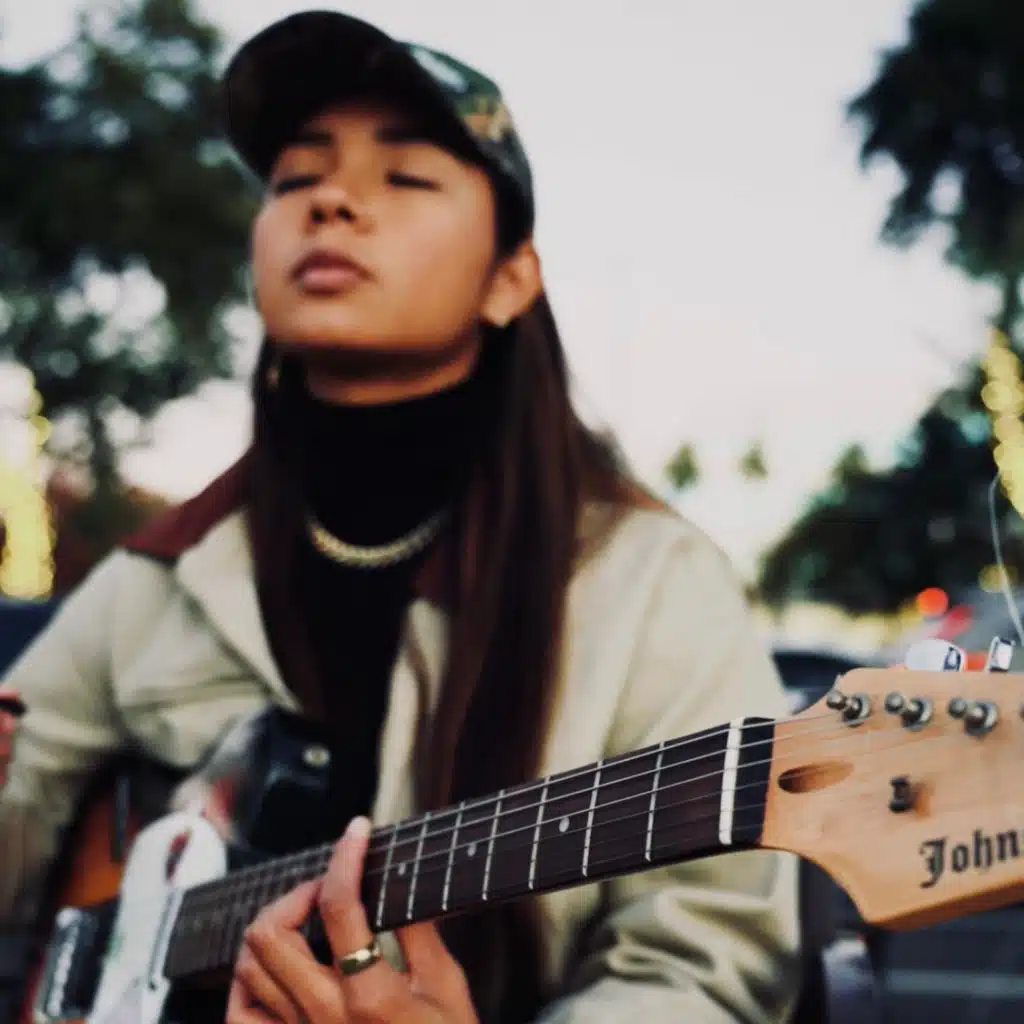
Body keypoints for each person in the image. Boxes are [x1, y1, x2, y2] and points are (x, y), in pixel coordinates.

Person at [0, 10, 800, 1023]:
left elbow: (706, 968)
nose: (331, 199)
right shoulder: (158, 575)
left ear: (510, 278)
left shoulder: (653, 583)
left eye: (408, 177)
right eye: (295, 178)